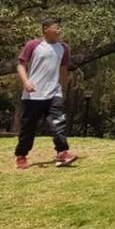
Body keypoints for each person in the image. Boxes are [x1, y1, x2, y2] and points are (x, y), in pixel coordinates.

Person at [14, 17, 77, 169]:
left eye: (60, 27)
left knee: (58, 123)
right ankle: (21, 155)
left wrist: (63, 88)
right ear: (46, 29)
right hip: (33, 94)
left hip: (54, 92)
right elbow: (20, 66)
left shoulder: (63, 48)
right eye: (56, 27)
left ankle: (62, 153)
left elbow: (63, 69)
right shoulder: (33, 45)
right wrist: (26, 82)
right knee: (29, 126)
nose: (59, 30)